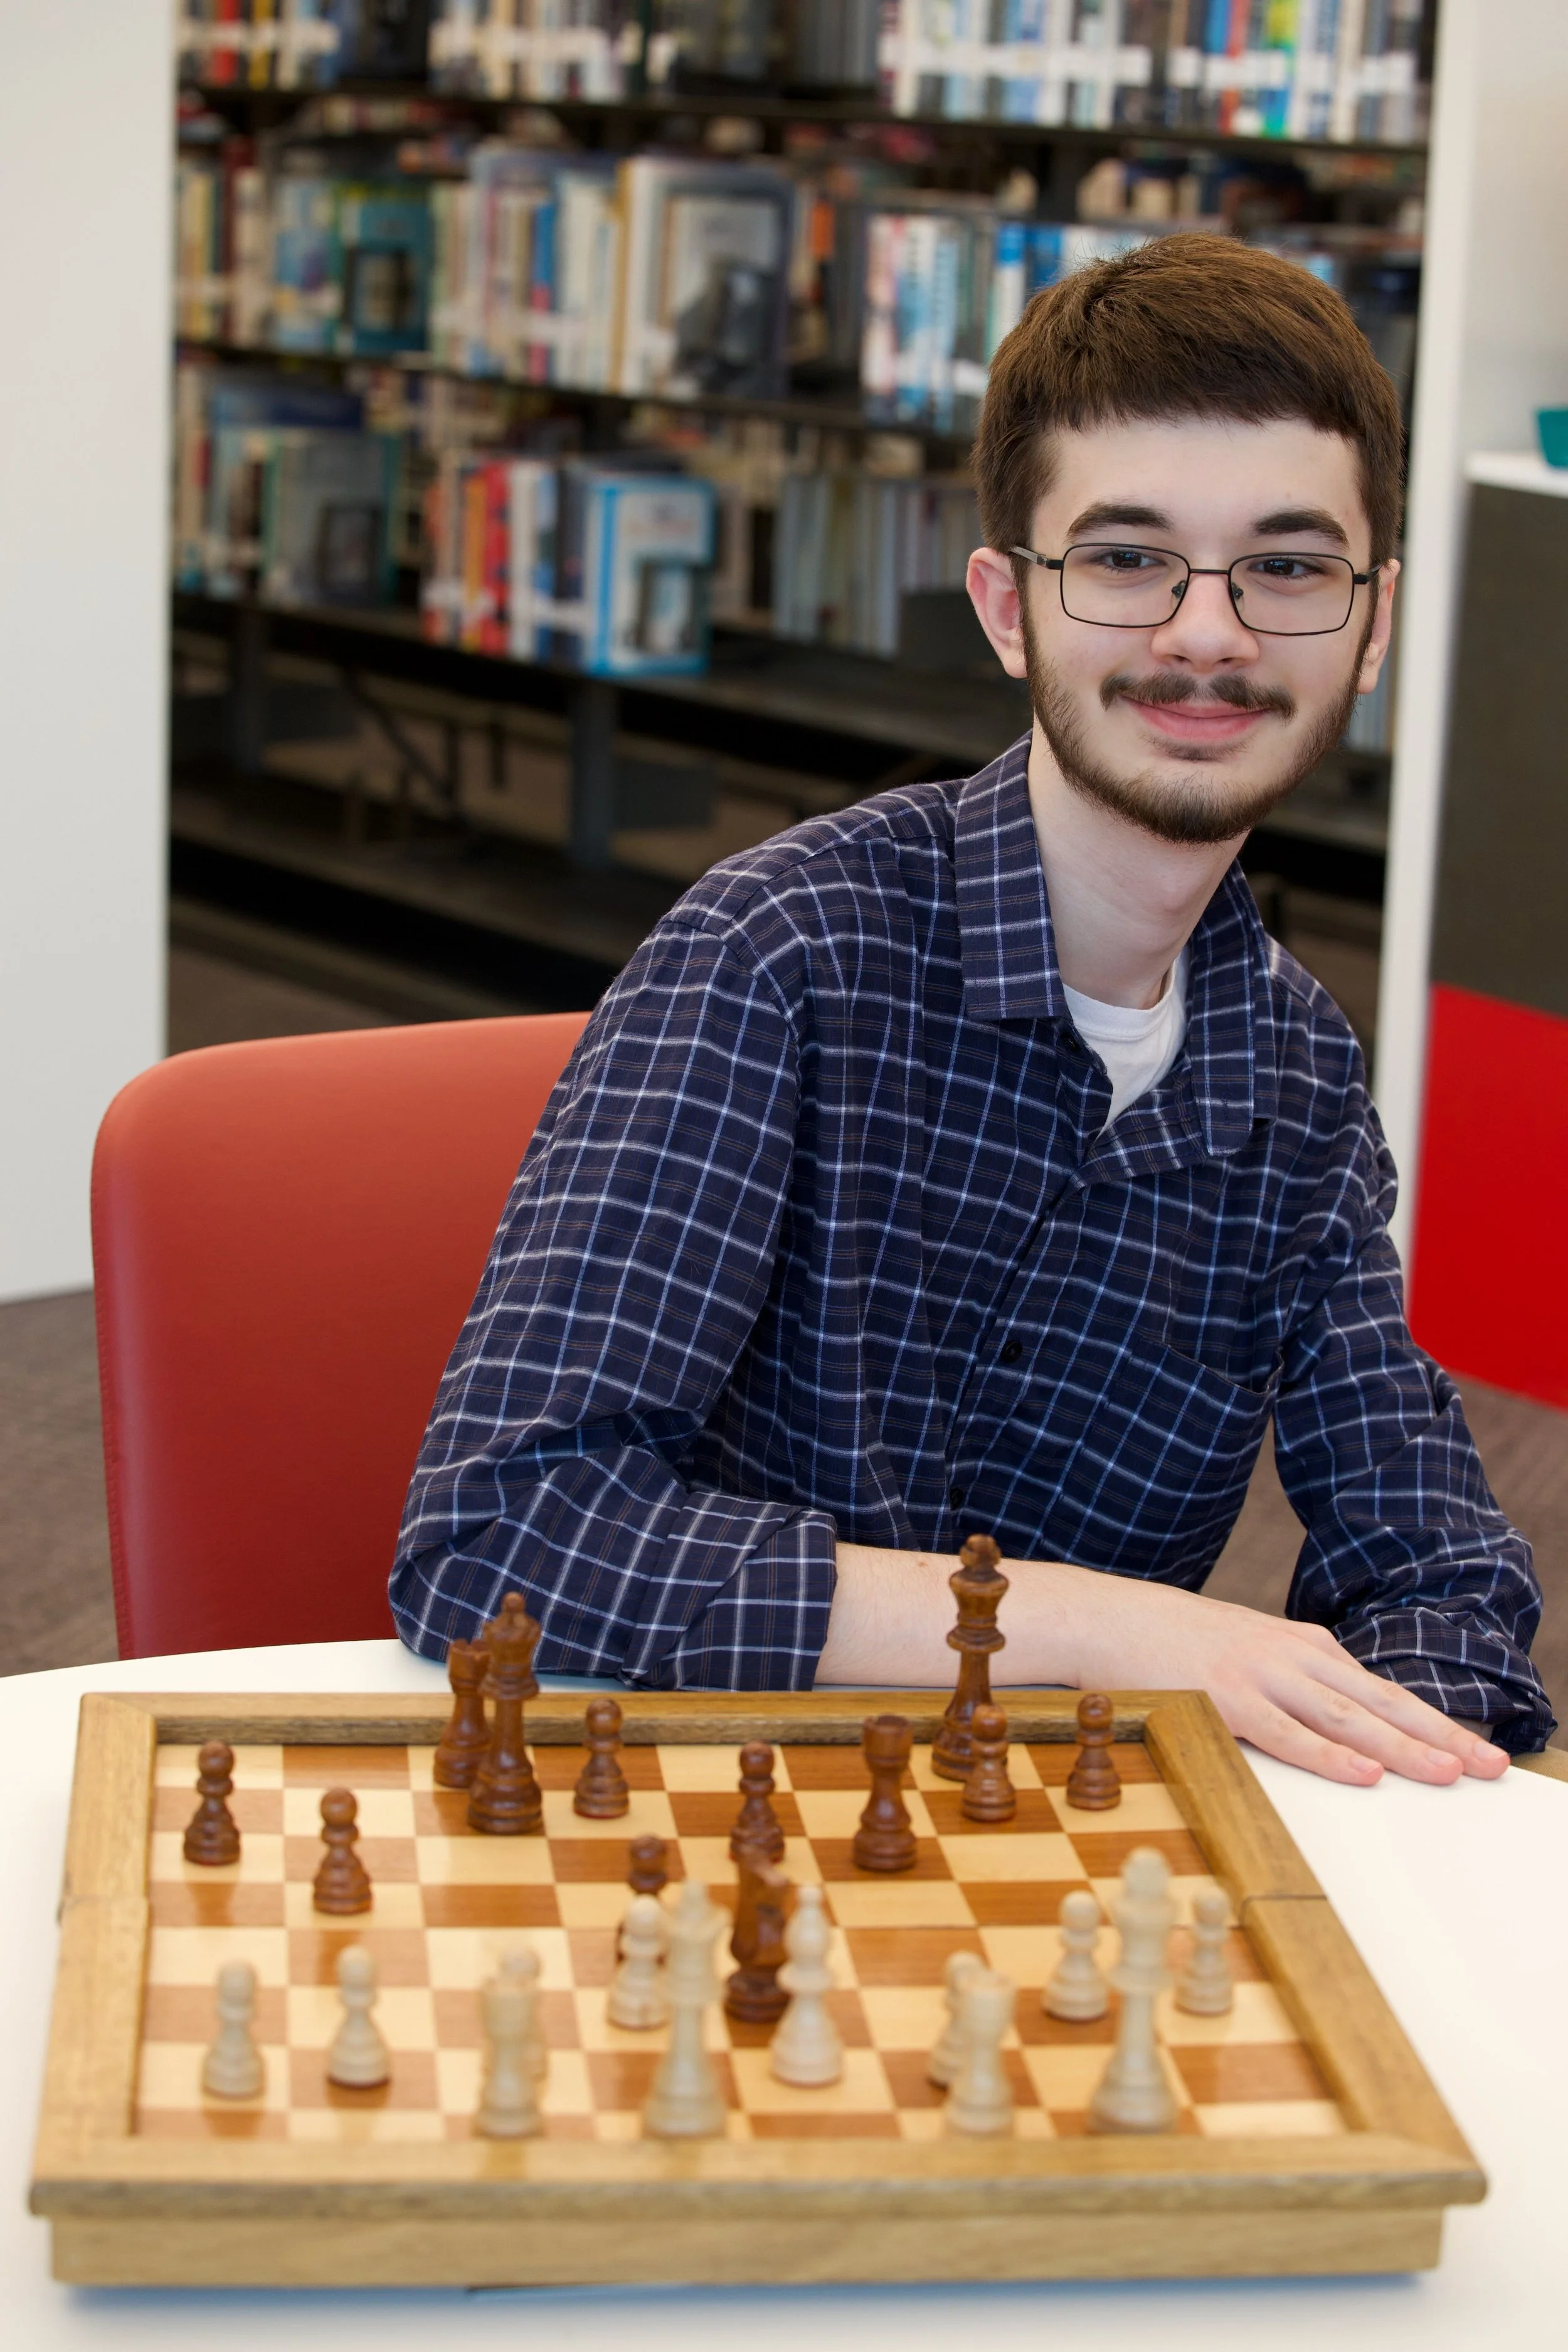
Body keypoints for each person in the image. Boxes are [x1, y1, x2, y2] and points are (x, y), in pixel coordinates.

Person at [391, 235, 1552, 1784]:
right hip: (685, 1832)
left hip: (1040, 1867)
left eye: (1285, 567)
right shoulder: (779, 955)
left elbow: (1440, 1577)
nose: (1205, 632)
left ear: (1369, 621)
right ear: (1008, 609)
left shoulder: (1294, 1075)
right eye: (1126, 559)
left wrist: (1399, 1747)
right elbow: (500, 1537)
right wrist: (1119, 1633)